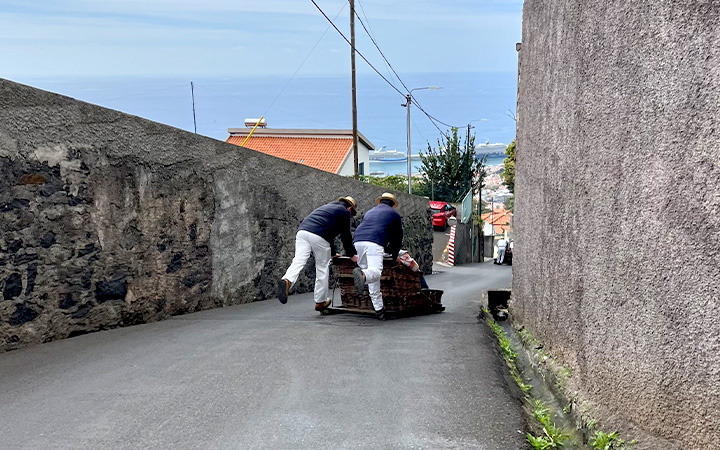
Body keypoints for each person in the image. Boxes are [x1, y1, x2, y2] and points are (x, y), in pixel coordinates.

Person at [277, 196, 358, 311]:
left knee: (299, 260)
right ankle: (320, 301)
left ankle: (287, 280)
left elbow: (328, 232)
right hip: (319, 236)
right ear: (350, 209)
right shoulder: (344, 213)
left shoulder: (327, 208)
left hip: (303, 232)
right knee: (322, 267)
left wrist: (333, 253)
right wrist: (352, 255)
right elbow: (346, 236)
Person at [352, 192, 403, 320]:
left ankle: (379, 309)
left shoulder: (370, 212)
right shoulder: (394, 215)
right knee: (375, 272)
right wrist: (394, 256)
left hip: (357, 241)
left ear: (380, 202)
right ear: (393, 205)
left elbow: (373, 228)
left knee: (372, 276)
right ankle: (362, 275)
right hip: (374, 243)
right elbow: (397, 239)